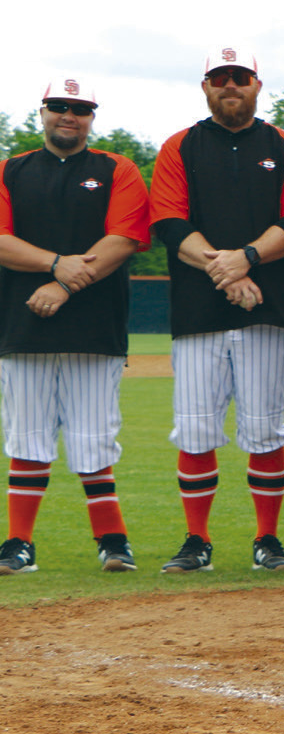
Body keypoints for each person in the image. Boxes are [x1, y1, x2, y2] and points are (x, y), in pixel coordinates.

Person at [148, 47, 284, 574]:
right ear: (205, 86)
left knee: (266, 430)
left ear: (257, 85)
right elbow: (170, 225)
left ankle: (267, 539)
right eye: (220, 78)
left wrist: (243, 259)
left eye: (239, 78)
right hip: (198, 314)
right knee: (196, 430)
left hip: (267, 311)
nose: (230, 86)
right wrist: (227, 271)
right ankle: (196, 540)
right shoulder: (181, 146)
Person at [0, 78, 150, 574]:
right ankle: (18, 544)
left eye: (81, 108)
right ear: (42, 111)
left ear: (92, 116)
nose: (70, 115)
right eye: (61, 106)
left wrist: (62, 284)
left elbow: (125, 237)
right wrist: (56, 264)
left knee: (94, 438)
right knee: (27, 437)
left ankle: (113, 542)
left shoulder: (116, 169)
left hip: (95, 325)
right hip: (21, 327)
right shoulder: (11, 170)